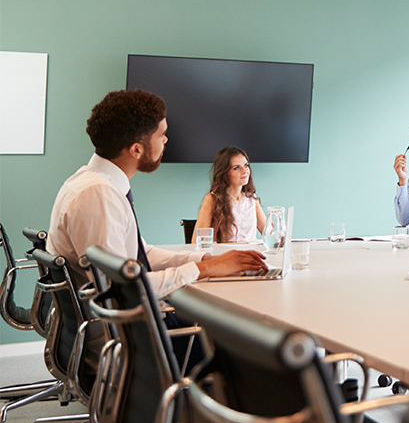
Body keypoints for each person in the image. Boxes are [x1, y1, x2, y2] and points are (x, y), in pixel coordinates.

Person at [48, 89, 266, 298]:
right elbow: (120, 288)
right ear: (137, 150)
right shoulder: (97, 195)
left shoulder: (95, 183)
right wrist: (202, 269)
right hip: (128, 330)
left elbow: (142, 254)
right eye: (161, 135)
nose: (166, 140)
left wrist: (205, 259)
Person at [193, 147, 267, 243]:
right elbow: (196, 242)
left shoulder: (252, 199)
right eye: (236, 168)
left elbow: (269, 233)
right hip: (225, 256)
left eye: (246, 165)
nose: (245, 171)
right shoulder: (212, 199)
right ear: (224, 173)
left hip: (250, 255)